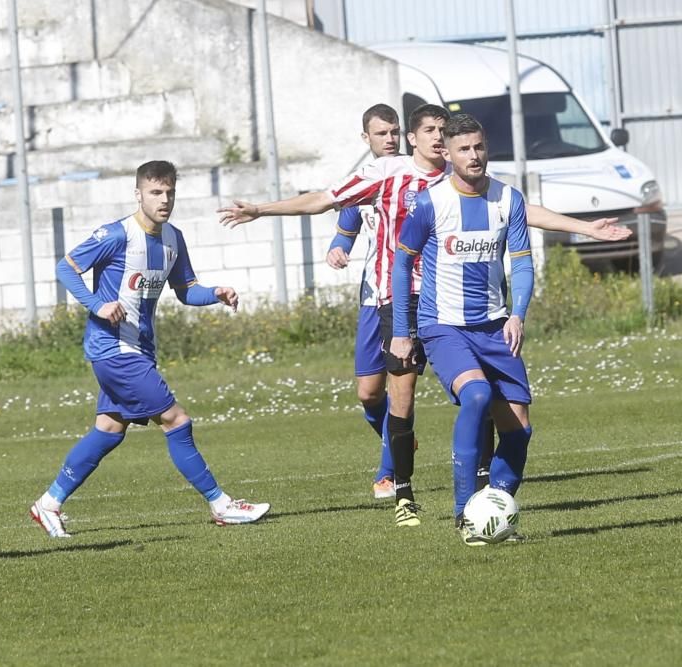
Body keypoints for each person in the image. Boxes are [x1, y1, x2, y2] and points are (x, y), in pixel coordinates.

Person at [218, 103, 630, 528]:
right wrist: (262, 209)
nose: (439, 137)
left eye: (443, 130)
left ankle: (480, 488)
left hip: (456, 305)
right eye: (431, 130)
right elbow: (325, 199)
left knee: (482, 398)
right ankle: (404, 488)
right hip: (399, 297)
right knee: (386, 394)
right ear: (413, 138)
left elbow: (520, 214)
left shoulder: (466, 176)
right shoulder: (387, 173)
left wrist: (583, 227)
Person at [30, 160, 269, 538]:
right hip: (112, 349)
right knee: (176, 420)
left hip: (138, 351)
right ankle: (221, 505)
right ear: (138, 193)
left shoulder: (173, 238)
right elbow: (66, 267)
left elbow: (187, 291)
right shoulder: (116, 235)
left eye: (170, 192)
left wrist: (216, 294)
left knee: (109, 429)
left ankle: (49, 503)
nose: (164, 199)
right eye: (156, 192)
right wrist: (97, 305)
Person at [390, 113, 533, 546]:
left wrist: (517, 313)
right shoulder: (429, 203)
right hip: (443, 325)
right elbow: (401, 264)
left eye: (479, 146)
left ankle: (492, 511)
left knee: (519, 428)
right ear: (447, 154)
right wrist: (403, 329)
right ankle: (463, 511)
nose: (474, 156)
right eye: (464, 149)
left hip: (494, 326)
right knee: (476, 394)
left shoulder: (509, 199)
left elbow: (522, 261)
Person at [325, 103, 401, 499]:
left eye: (394, 132)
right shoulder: (360, 186)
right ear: (366, 138)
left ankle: (388, 472)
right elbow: (344, 235)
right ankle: (399, 435)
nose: (390, 139)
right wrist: (336, 251)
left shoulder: (412, 178)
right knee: (369, 394)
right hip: (372, 297)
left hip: (414, 296)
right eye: (382, 133)